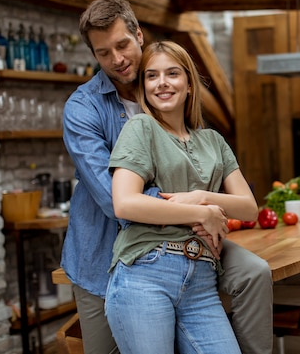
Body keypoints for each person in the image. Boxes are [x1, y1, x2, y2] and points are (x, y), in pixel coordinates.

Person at [61, 0, 273, 354]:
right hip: (103, 252)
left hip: (187, 246)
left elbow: (205, 178)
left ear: (138, 36)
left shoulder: (173, 104)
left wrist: (202, 201)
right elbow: (116, 200)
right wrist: (200, 213)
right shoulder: (84, 109)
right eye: (103, 53)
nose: (117, 59)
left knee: (254, 272)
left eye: (123, 45)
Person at [105, 40, 258, 353]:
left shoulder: (213, 141)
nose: (162, 83)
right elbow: (125, 203)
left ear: (189, 83)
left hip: (201, 281)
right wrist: (202, 214)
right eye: (151, 76)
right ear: (143, 87)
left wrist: (201, 198)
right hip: (146, 273)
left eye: (172, 73)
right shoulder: (141, 127)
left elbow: (249, 208)